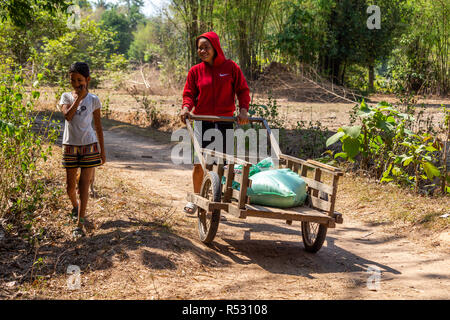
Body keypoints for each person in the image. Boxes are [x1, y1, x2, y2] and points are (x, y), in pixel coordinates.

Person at [180, 31, 250, 214]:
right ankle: (196, 199)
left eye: (206, 47)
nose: (202, 51)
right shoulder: (195, 71)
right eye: (199, 48)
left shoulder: (231, 68)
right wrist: (186, 108)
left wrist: (243, 110)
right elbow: (189, 94)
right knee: (199, 163)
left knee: (221, 164)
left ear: (215, 47)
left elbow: (242, 90)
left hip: (224, 122)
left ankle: (218, 200)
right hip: (201, 121)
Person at [59, 62, 106, 238]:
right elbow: (68, 116)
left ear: (87, 80)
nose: (76, 83)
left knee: (83, 184)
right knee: (70, 186)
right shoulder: (65, 97)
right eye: (72, 80)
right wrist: (78, 97)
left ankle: (80, 222)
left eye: (79, 80)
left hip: (89, 146)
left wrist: (103, 151)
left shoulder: (94, 100)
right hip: (70, 146)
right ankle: (75, 206)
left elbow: (99, 127)